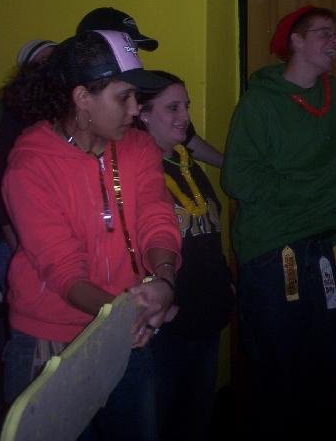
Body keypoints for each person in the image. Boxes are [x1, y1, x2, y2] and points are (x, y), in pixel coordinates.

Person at [0, 30, 181, 441]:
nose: (136, 109)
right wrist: (128, 316)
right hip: (52, 341)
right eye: (124, 97)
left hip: (128, 335)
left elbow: (157, 218)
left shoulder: (139, 148)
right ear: (82, 98)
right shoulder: (31, 164)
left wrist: (166, 280)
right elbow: (63, 270)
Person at [222, 5, 336, 440]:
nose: (334, 41)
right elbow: (238, 178)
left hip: (319, 243)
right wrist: (314, 186)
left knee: (324, 355)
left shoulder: (333, 92)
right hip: (272, 248)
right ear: (296, 42)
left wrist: (319, 183)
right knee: (277, 363)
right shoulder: (260, 103)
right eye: (323, 33)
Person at [136, 70, 234, 441]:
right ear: (143, 114)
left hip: (208, 317)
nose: (184, 116)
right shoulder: (135, 171)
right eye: (173, 108)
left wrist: (225, 285)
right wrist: (165, 308)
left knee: (197, 424)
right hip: (167, 325)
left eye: (186, 107)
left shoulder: (187, 163)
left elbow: (208, 234)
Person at [0, 39, 57, 425]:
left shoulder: (62, 111)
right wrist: (17, 244)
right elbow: (3, 179)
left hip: (44, 242)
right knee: (19, 317)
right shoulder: (14, 113)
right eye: (44, 59)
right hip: (13, 236)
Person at [77, 7, 224, 168]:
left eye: (134, 51)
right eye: (125, 49)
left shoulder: (143, 86)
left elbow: (185, 136)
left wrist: (230, 167)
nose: (133, 58)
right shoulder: (68, 111)